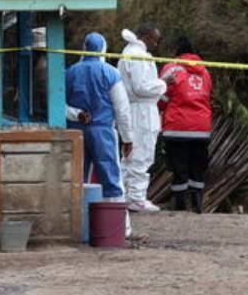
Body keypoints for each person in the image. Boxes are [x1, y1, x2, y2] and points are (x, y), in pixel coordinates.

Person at [66, 32, 134, 206]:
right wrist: (127, 138)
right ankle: (119, 227)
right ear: (103, 49)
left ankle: (80, 224)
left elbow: (57, 104)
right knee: (111, 177)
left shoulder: (70, 72)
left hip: (75, 131)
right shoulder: (110, 73)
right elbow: (122, 109)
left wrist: (77, 115)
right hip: (103, 132)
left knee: (76, 177)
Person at [159, 36, 213, 213]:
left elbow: (161, 96)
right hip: (201, 128)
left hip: (177, 127)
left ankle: (181, 205)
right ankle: (198, 204)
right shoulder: (204, 71)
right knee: (197, 167)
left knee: (179, 166)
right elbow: (207, 95)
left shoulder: (171, 69)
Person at [119, 24, 167, 212]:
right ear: (147, 37)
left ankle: (123, 195)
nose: (156, 43)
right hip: (142, 112)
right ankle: (136, 197)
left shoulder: (129, 53)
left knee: (130, 155)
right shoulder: (137, 56)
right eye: (156, 39)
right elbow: (141, 87)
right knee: (142, 154)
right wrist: (163, 83)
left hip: (137, 109)